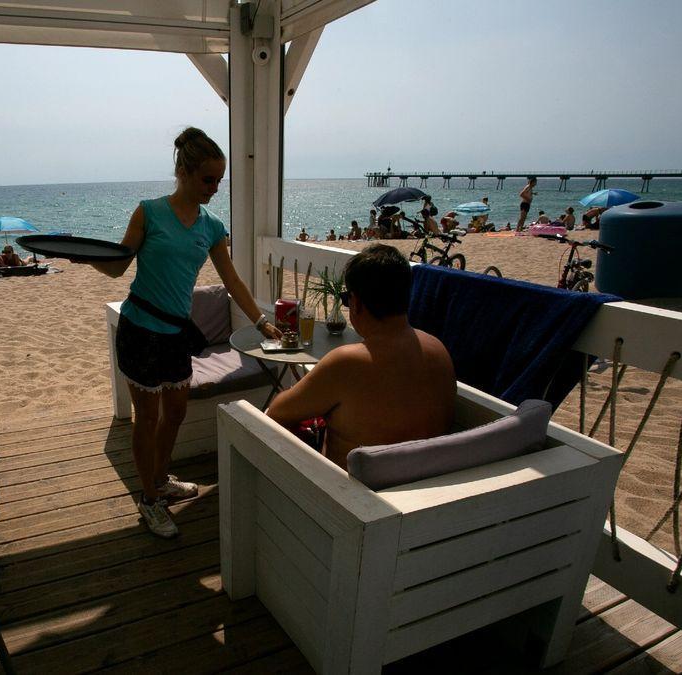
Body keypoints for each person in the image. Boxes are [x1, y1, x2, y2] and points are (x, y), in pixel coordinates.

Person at [85, 127, 281, 538]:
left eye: (218, 180)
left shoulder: (211, 226)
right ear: (184, 172)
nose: (214, 188)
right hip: (140, 329)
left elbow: (233, 281)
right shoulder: (149, 212)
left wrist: (261, 321)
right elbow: (119, 266)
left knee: (174, 414)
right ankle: (151, 499)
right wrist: (86, 258)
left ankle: (161, 480)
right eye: (207, 179)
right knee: (147, 418)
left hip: (176, 334)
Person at [266, 244, 456, 469]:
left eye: (346, 298)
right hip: (423, 490)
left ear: (356, 303)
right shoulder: (439, 351)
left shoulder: (347, 363)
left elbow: (276, 413)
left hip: (350, 496)